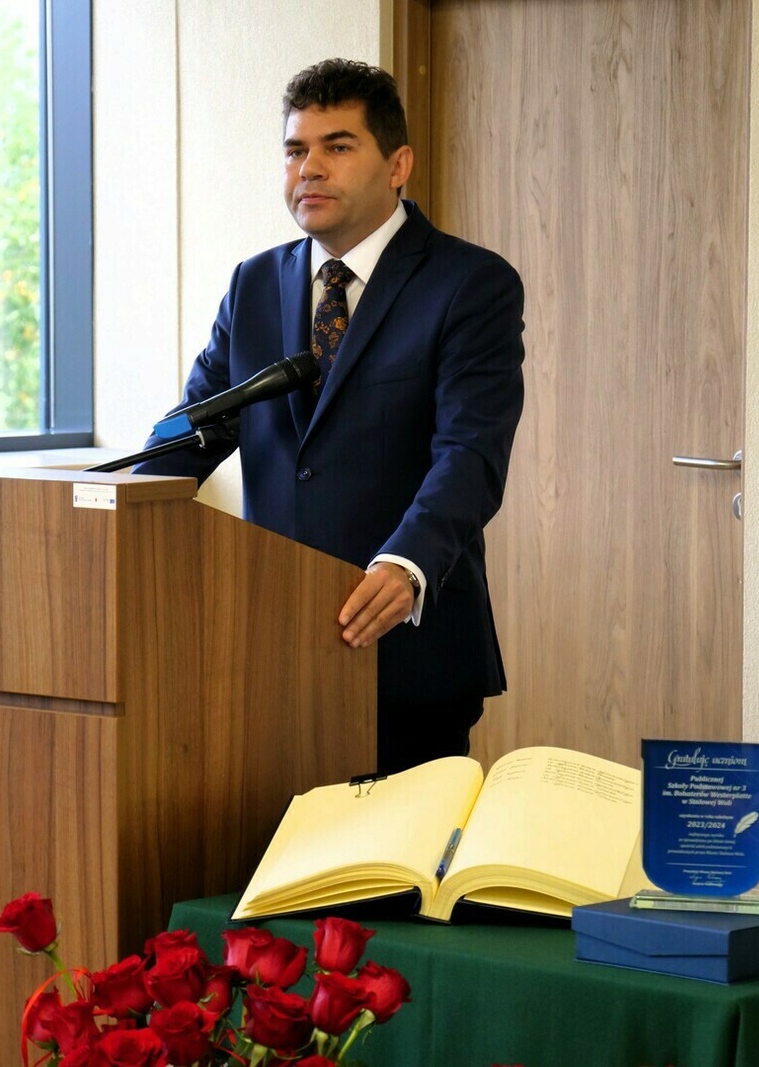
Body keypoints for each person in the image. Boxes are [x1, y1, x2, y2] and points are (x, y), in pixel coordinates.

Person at [134, 58, 525, 774]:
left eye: (337, 146)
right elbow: (195, 429)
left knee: (395, 849)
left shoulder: (470, 284)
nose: (309, 168)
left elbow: (470, 455)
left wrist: (406, 563)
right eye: (295, 150)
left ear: (398, 165)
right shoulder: (255, 283)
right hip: (267, 652)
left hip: (407, 650)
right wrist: (113, 501)